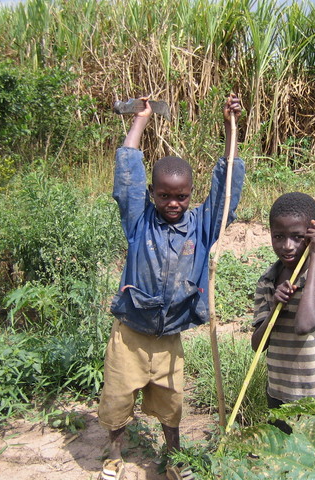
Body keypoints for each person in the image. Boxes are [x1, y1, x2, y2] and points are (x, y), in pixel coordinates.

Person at [97, 94, 245, 480]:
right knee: (116, 399)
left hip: (169, 339)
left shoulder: (202, 226)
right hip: (130, 333)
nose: (173, 203)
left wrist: (231, 129)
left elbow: (226, 189)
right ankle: (114, 454)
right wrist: (141, 120)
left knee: (171, 405)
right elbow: (126, 174)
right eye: (164, 195)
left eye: (181, 196)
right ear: (152, 193)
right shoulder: (138, 220)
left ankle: (175, 459)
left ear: (190, 195)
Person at [251, 192, 315, 434]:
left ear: (313, 236)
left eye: (297, 237)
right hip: (279, 393)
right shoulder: (267, 281)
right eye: (278, 237)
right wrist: (274, 309)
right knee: (283, 460)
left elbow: (305, 324)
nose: (287, 246)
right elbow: (258, 345)